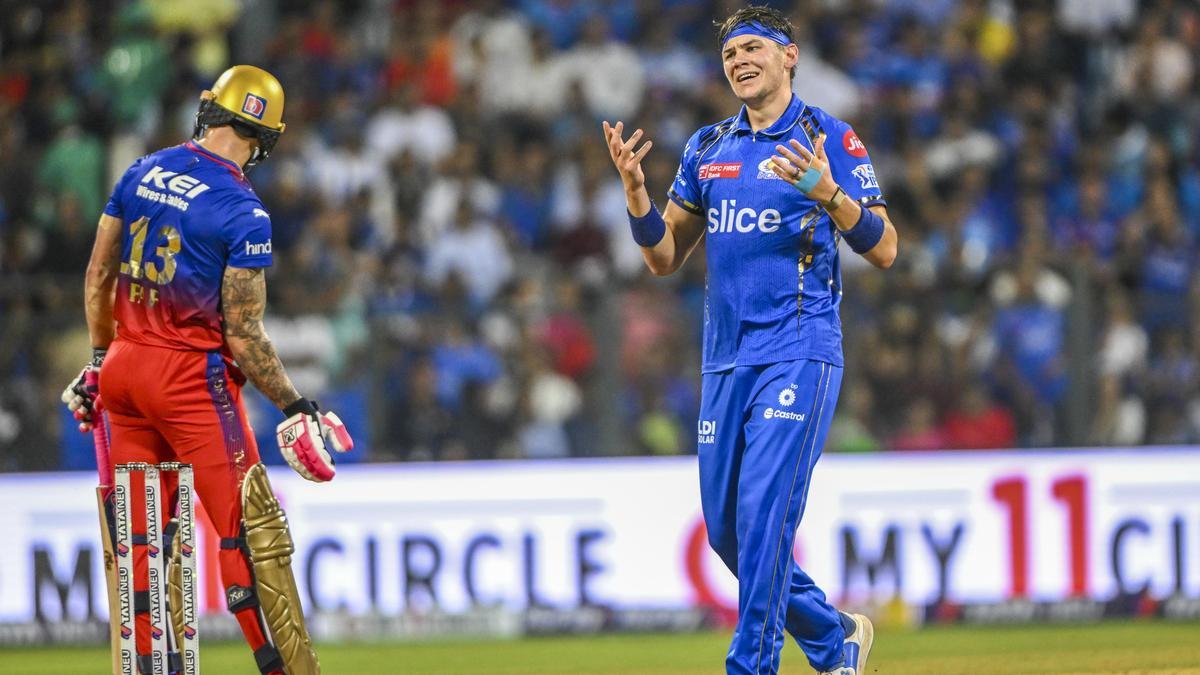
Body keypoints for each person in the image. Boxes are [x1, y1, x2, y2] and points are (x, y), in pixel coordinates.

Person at [603, 6, 897, 675]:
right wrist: (637, 196)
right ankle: (835, 639)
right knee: (727, 531)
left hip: (798, 349)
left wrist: (830, 194)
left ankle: (752, 665)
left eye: (753, 48)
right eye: (730, 53)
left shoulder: (829, 137)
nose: (739, 61)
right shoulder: (708, 148)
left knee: (764, 516)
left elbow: (885, 248)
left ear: (789, 56)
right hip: (724, 360)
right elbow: (663, 257)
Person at [61, 65, 353, 675]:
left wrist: (99, 363)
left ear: (209, 109)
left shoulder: (142, 170)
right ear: (265, 138)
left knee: (144, 543)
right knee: (252, 530)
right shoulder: (244, 211)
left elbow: (98, 275)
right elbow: (244, 335)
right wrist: (296, 405)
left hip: (123, 373)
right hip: (189, 381)